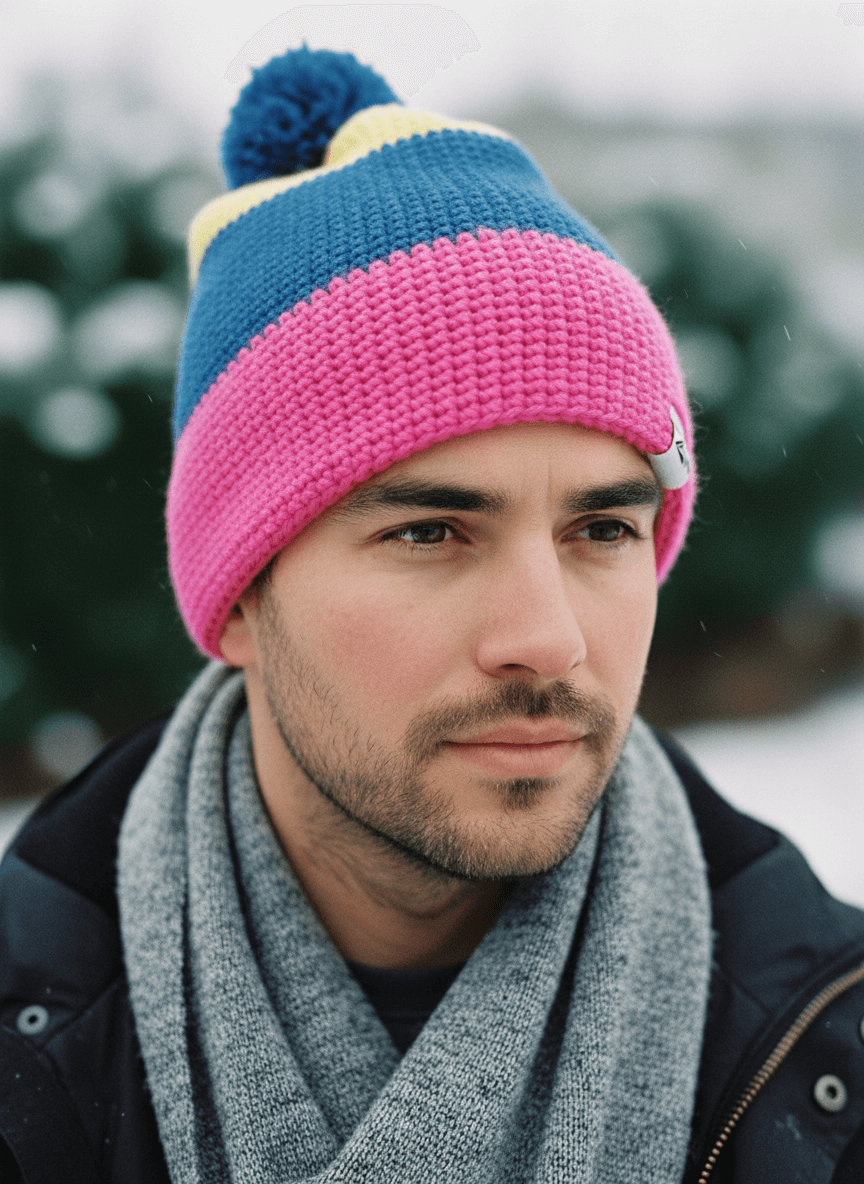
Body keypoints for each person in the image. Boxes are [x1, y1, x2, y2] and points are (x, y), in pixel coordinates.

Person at [1, 46, 862, 1184]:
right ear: (242, 595)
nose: (548, 638)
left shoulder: (828, 1045)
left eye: (604, 529)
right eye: (429, 532)